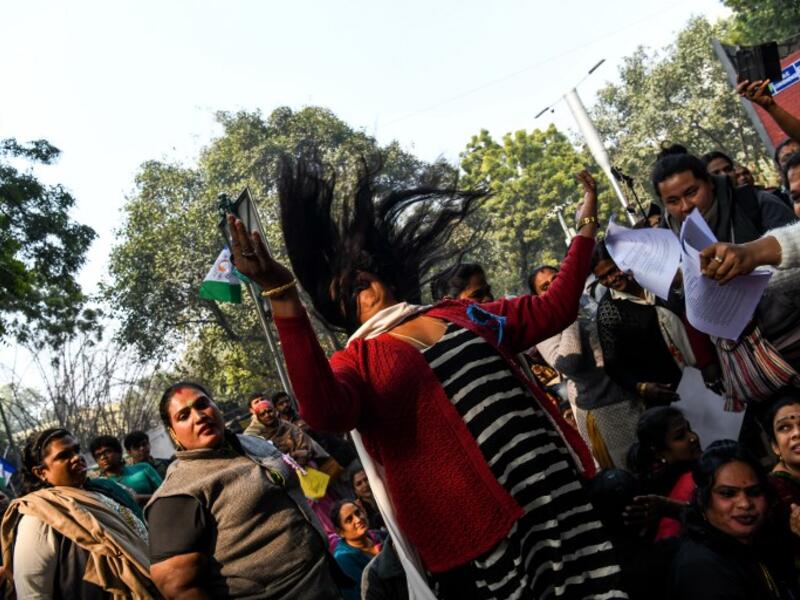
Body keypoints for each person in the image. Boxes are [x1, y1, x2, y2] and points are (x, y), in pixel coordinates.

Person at [228, 153, 627, 599]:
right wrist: (281, 292)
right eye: (339, 288)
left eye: (357, 274)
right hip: (485, 534)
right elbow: (322, 411)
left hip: (553, 489)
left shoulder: (462, 312)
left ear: (384, 276)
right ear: (333, 309)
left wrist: (585, 225)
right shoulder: (353, 361)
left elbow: (554, 307)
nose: (351, 282)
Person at [146, 381, 344, 599]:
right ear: (174, 434)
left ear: (216, 406)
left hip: (325, 580)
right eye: (183, 416)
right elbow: (176, 585)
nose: (199, 416)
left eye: (202, 404)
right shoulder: (178, 494)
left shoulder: (253, 443)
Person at [1, 428, 156, 598]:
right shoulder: (40, 514)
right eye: (64, 455)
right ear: (41, 472)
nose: (77, 457)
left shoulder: (104, 489)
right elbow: (32, 592)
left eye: (76, 450)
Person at [531, 260, 644, 469]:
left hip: (631, 395)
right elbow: (570, 365)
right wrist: (568, 315)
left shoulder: (587, 301)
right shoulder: (544, 328)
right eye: (545, 287)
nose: (554, 287)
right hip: (603, 411)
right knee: (631, 470)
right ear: (538, 298)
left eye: (557, 280)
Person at [669, 441, 797, 599]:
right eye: (728, 494)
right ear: (703, 500)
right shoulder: (701, 567)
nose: (745, 504)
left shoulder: (756, 541)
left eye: (755, 492)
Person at [592, 241, 702, 405]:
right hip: (671, 388)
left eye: (613, 270)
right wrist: (641, 387)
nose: (611, 279)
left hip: (706, 362)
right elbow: (613, 364)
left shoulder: (656, 277)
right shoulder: (609, 311)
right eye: (603, 278)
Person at [653, 145, 795, 243]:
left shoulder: (757, 203)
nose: (685, 206)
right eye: (673, 201)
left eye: (691, 192)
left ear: (710, 182)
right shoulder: (666, 238)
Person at [625, 406, 702, 540]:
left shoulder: (700, 468)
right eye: (680, 436)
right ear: (658, 451)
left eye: (689, 429)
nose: (693, 438)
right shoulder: (658, 491)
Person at [331, 500, 383, 600]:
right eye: (349, 520)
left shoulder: (378, 535)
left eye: (357, 513)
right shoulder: (343, 560)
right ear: (340, 532)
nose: (358, 519)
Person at [90, 435, 162, 504]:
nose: (103, 457)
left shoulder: (143, 468)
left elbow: (166, 492)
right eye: (98, 455)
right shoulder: (102, 485)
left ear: (119, 453)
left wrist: (142, 498)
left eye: (107, 452)